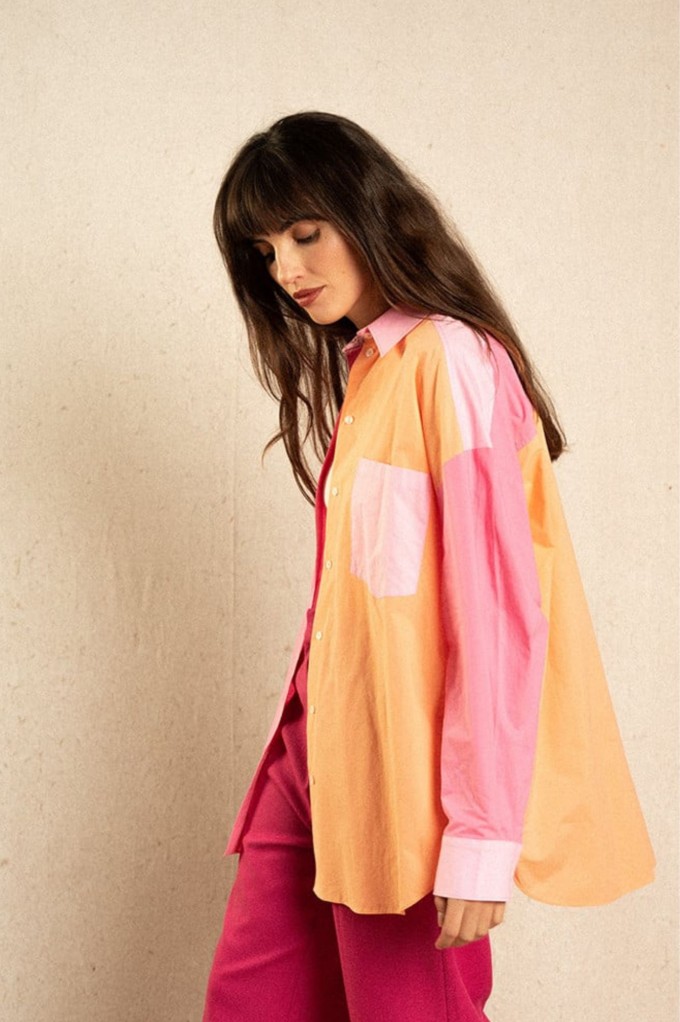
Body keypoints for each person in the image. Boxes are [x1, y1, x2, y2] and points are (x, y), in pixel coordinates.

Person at [202, 112, 655, 1022]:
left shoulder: (450, 359)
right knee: (248, 1004)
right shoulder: (368, 372)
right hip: (310, 759)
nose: (286, 269)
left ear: (367, 211)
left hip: (403, 786)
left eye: (305, 233)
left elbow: (494, 614)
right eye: (265, 250)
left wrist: (480, 837)